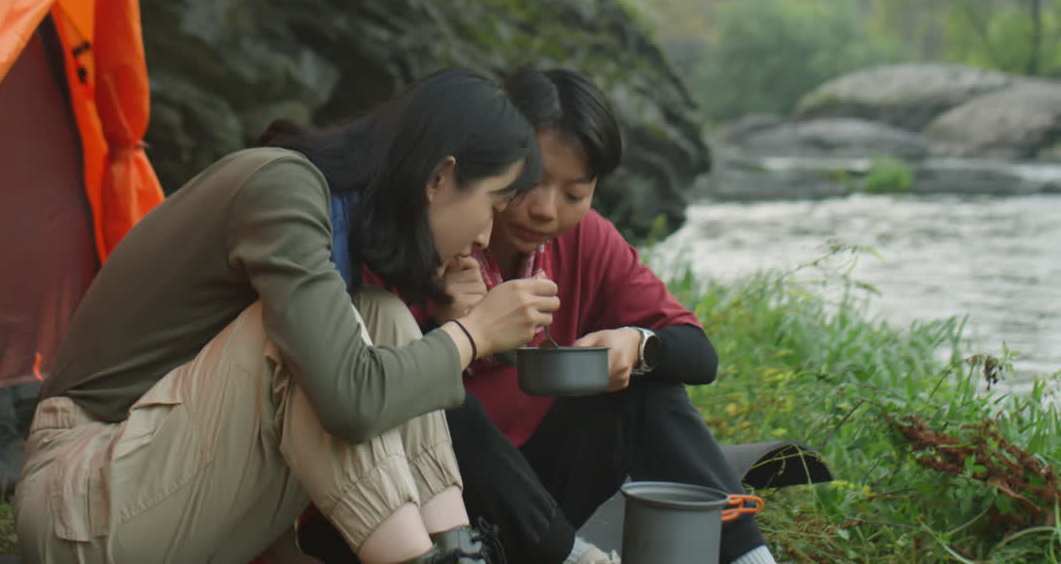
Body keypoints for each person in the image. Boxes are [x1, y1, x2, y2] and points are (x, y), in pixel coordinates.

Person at [13, 67, 562, 564]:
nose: (486, 236)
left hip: (157, 496)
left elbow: (236, 432)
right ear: (440, 177)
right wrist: (472, 334)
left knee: (382, 316)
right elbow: (344, 398)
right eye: (492, 205)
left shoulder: (334, 234)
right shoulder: (282, 187)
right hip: (80, 500)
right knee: (321, 349)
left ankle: (455, 549)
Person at [296, 68, 778, 564]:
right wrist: (451, 329)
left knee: (645, 385)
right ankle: (574, 559)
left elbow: (698, 354)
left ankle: (750, 558)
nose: (547, 210)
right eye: (530, 183)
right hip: (403, 514)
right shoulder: (419, 236)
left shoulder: (586, 241)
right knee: (438, 398)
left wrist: (637, 345)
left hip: (533, 505)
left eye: (574, 194)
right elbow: (361, 394)